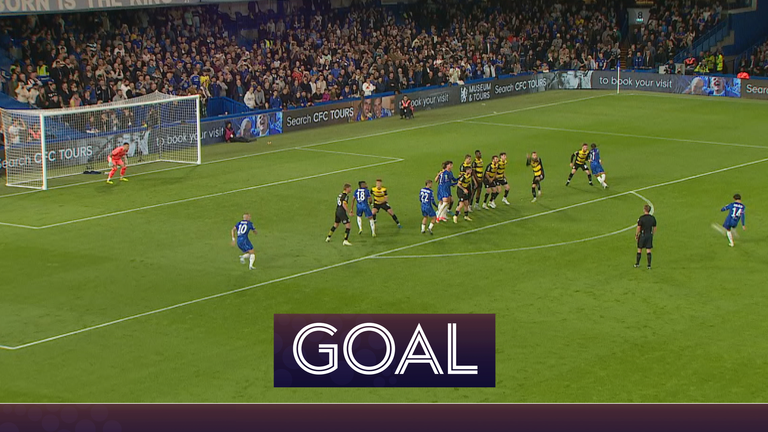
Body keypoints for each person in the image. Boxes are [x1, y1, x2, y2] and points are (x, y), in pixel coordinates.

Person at [635, 204, 657, 269]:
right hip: (649, 235)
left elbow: (639, 227)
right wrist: (652, 234)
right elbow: (655, 227)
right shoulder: (652, 218)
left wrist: (636, 234)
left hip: (642, 235)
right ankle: (649, 265)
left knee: (639, 249)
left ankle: (637, 264)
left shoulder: (641, 218)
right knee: (648, 250)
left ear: (644, 210)